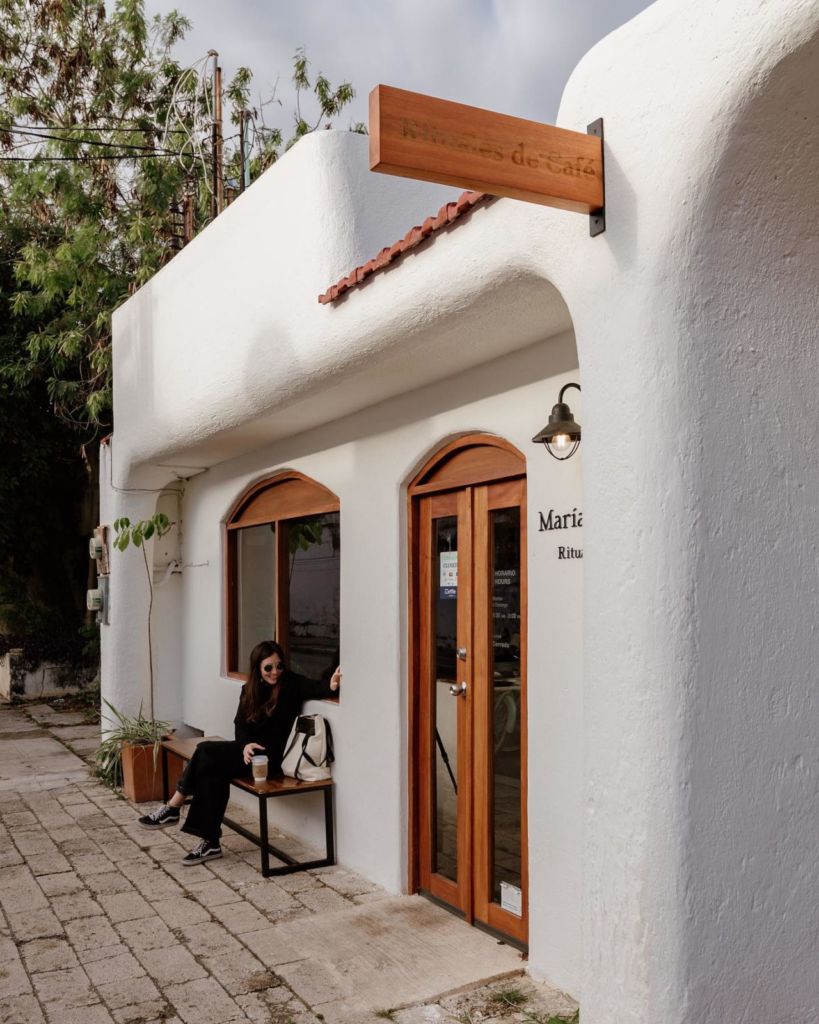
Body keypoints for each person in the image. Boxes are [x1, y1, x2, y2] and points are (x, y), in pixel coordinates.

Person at [137, 640, 341, 865]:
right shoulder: (249, 690)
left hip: (271, 759)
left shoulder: (291, 684)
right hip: (250, 753)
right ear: (257, 668)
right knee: (213, 770)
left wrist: (331, 684)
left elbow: (317, 686)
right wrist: (244, 745)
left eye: (279, 666)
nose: (275, 672)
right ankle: (210, 842)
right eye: (269, 668)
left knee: (206, 751)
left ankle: (173, 806)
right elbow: (240, 726)